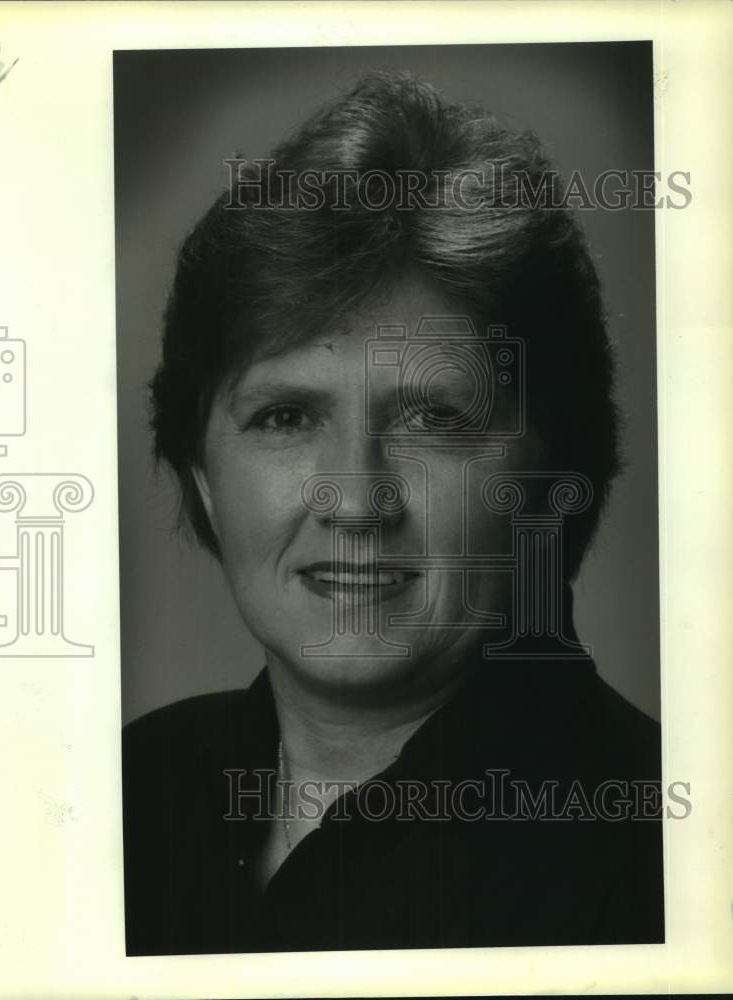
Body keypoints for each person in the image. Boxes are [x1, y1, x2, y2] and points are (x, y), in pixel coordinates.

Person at [122, 70, 663, 954]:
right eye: (286, 417)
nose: (355, 500)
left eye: (435, 420)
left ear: (554, 477)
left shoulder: (664, 846)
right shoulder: (116, 794)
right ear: (204, 479)